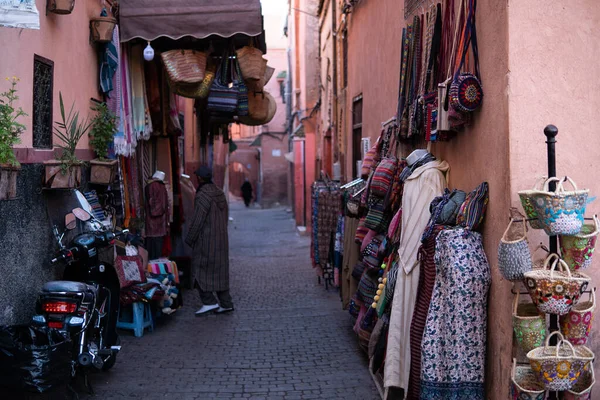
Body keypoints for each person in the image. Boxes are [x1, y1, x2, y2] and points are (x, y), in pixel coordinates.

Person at [185, 166, 234, 315]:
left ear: (199, 178)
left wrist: (190, 238)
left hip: (206, 240)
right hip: (221, 239)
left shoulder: (203, 195)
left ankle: (209, 302)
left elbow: (198, 219)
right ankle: (226, 303)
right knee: (220, 273)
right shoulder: (219, 192)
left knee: (200, 270)